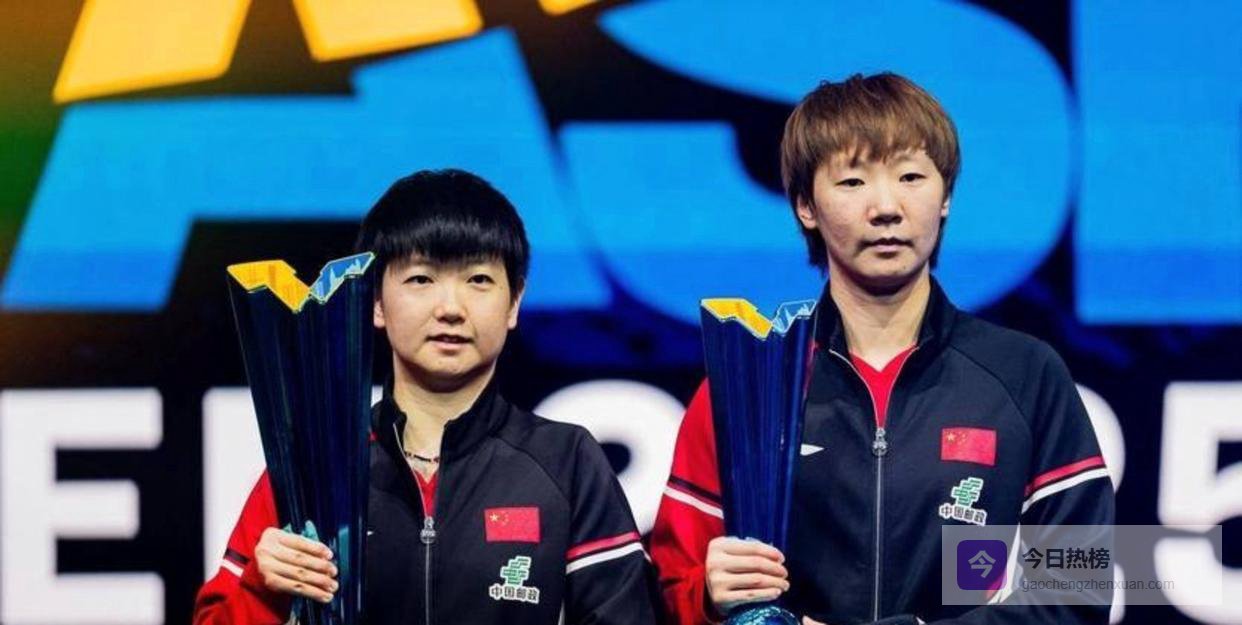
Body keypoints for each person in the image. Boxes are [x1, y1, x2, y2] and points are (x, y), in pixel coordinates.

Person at [650, 73, 1114, 625]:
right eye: (852, 181)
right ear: (805, 206)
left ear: (946, 197)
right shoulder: (751, 388)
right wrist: (706, 597)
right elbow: (663, 594)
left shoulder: (1024, 375)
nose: (886, 207)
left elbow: (1079, 587)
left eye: (911, 176)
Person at [194, 169, 661, 625]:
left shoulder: (567, 463)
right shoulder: (311, 472)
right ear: (376, 302)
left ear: (514, 302)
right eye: (421, 279)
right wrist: (263, 591)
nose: (451, 308)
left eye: (478, 280)